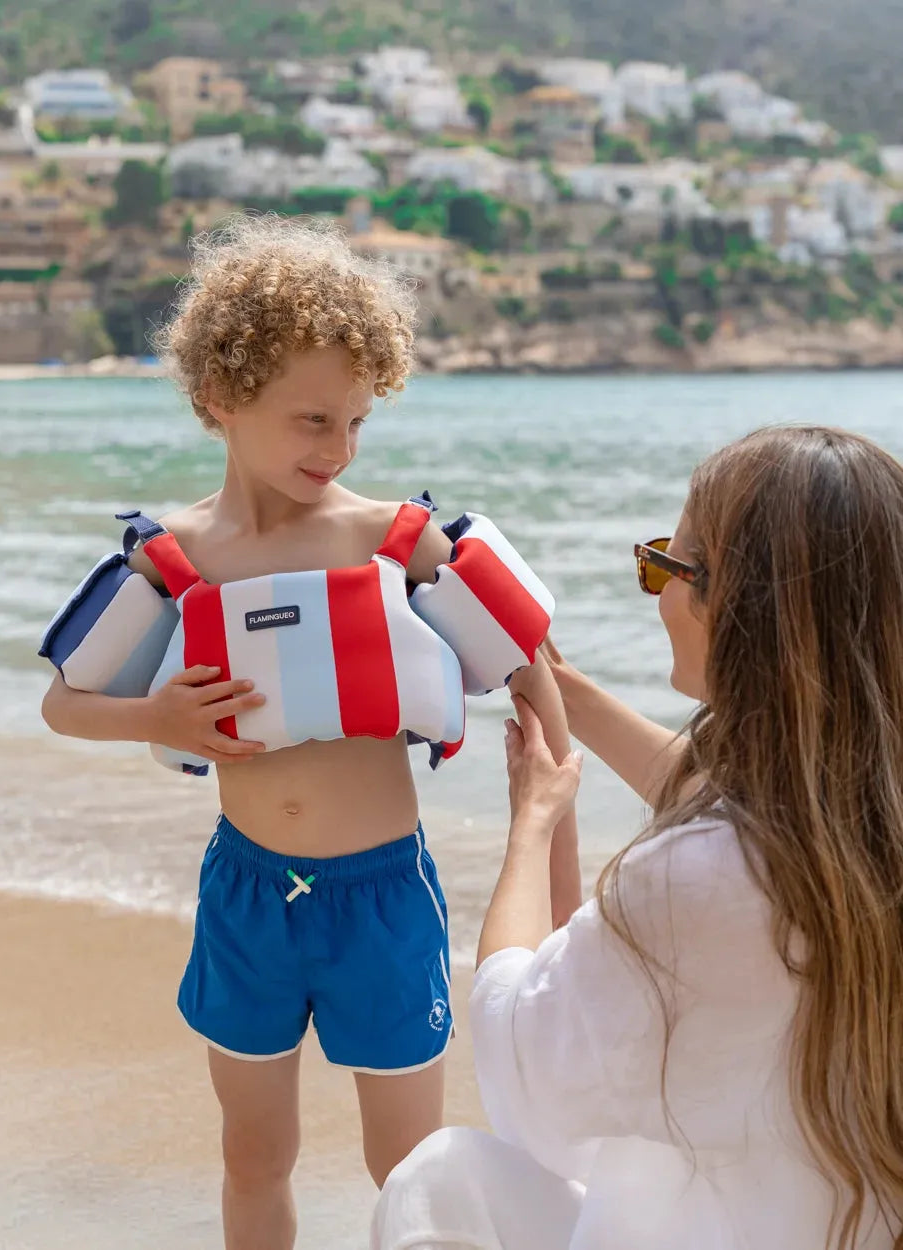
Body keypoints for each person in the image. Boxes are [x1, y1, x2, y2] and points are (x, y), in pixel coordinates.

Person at [39, 214, 576, 1250]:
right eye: (313, 419)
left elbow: (530, 672)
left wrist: (555, 856)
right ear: (221, 397)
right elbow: (64, 702)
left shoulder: (395, 542)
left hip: (384, 896)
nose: (338, 450)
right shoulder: (171, 558)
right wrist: (155, 715)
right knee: (253, 1155)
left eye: (357, 422)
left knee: (409, 1169)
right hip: (247, 895)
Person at [373, 425, 903, 1250]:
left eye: (664, 567)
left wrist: (532, 824)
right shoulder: (856, 815)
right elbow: (750, 800)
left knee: (439, 1179)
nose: (654, 593)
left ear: (734, 603)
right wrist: (560, 688)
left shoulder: (692, 880)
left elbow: (524, 1079)